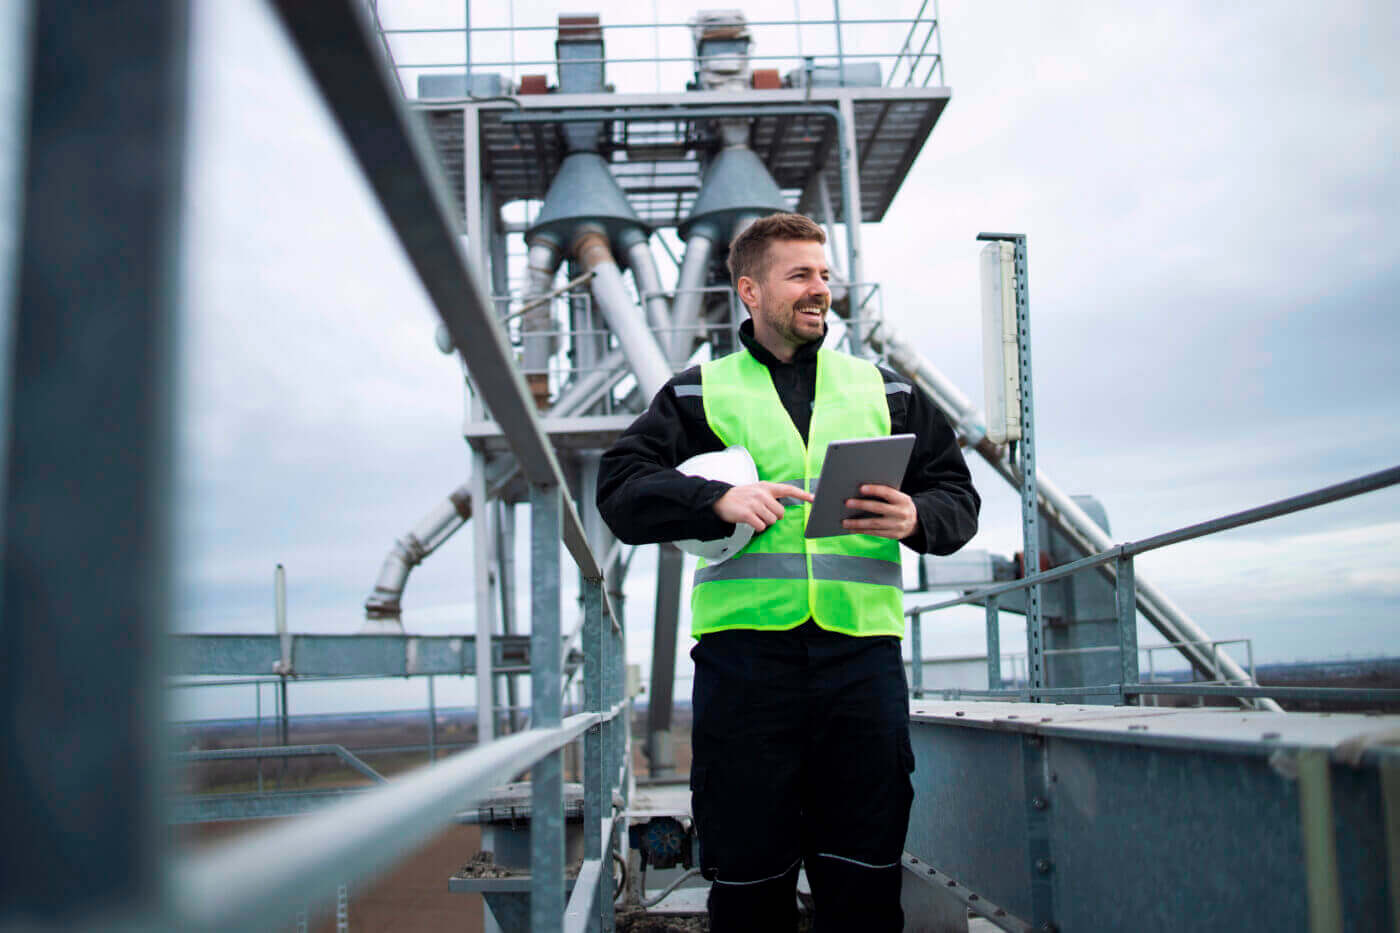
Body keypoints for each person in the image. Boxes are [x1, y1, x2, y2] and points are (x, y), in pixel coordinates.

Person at [596, 212, 979, 932]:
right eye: (800, 275)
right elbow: (618, 489)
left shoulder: (884, 390)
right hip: (745, 670)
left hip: (861, 666)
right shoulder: (699, 392)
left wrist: (917, 515)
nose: (819, 289)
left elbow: (959, 497)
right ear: (751, 290)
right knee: (748, 884)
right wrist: (715, 500)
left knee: (865, 880)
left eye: (824, 275)